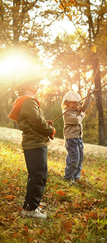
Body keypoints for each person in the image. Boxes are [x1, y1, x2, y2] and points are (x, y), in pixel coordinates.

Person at [8, 73, 56, 219]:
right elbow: (36, 122)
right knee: (39, 175)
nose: (38, 86)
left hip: (34, 143)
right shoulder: (29, 101)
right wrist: (51, 130)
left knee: (36, 174)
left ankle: (31, 205)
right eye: (36, 83)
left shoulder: (26, 101)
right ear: (27, 86)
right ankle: (29, 209)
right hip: (35, 144)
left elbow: (34, 120)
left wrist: (44, 123)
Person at [61, 89, 92, 185]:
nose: (76, 105)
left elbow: (84, 107)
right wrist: (82, 115)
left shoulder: (77, 110)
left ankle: (76, 177)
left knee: (79, 159)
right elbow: (76, 120)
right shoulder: (66, 113)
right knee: (74, 159)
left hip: (78, 138)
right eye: (73, 103)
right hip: (71, 139)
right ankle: (68, 177)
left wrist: (89, 96)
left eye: (78, 103)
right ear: (67, 103)